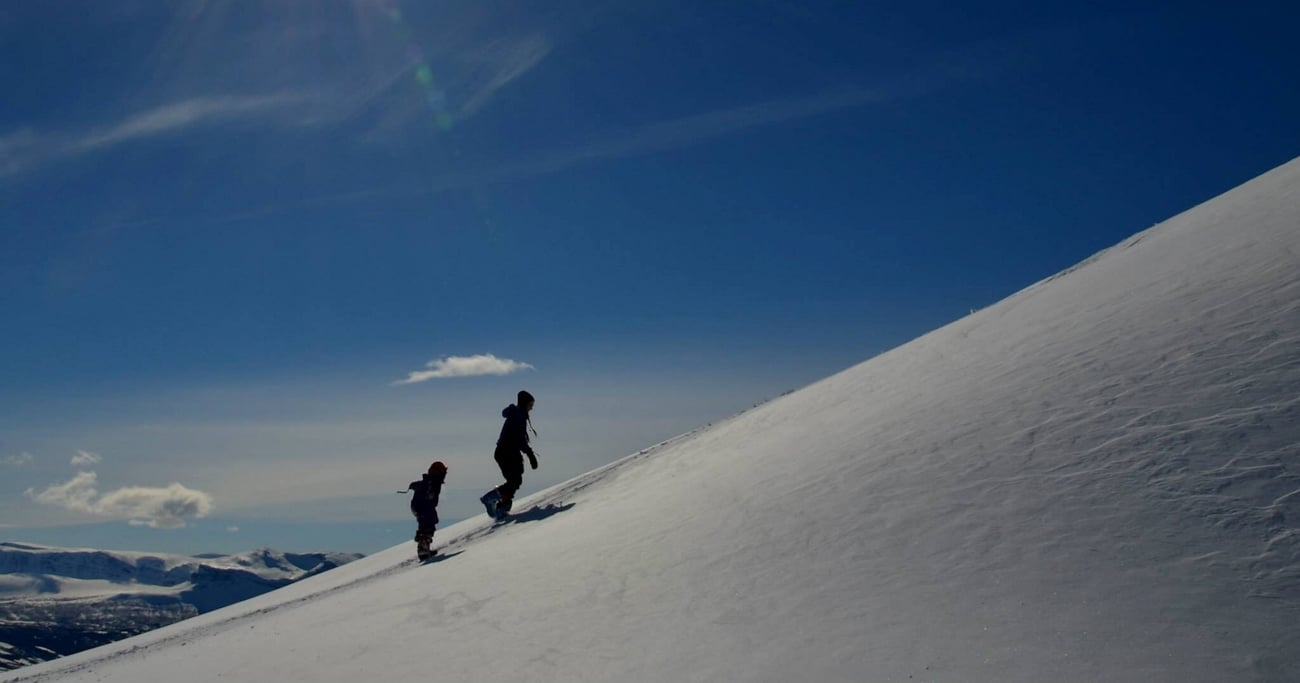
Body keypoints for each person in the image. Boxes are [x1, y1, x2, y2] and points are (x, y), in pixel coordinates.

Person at [479, 390, 538, 521]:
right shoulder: (518, 416)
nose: (531, 408)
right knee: (514, 480)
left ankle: (501, 507)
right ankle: (492, 499)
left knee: (515, 480)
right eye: (530, 404)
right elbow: (519, 439)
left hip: (506, 452)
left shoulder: (518, 414)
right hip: (507, 452)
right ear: (524, 403)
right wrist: (530, 454)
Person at [408, 461, 447, 560]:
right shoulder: (433, 482)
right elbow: (428, 492)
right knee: (428, 525)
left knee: (425, 525)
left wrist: (413, 486)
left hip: (418, 506)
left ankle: (424, 548)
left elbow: (419, 485)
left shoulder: (429, 481)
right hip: (424, 506)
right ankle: (423, 549)